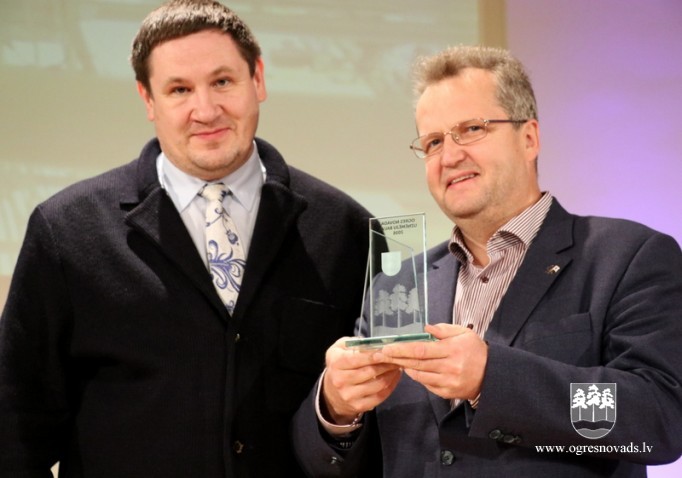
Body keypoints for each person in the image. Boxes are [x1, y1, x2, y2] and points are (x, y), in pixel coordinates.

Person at [0, 1, 373, 477]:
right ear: (147, 100)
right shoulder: (66, 231)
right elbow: (15, 429)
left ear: (258, 79)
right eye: (179, 89)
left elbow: (382, 427)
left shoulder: (347, 230)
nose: (206, 110)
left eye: (222, 82)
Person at [291, 45, 682, 477]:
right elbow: (329, 462)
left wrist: (492, 378)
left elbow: (660, 419)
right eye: (433, 142)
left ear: (529, 138)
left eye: (471, 129)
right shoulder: (398, 286)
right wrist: (336, 408)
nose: (449, 156)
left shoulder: (627, 256)